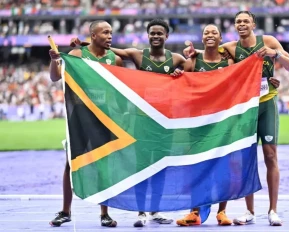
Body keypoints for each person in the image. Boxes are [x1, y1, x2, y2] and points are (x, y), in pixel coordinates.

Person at [184, 11, 289, 226]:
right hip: (245, 107)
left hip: (267, 104)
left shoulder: (269, 41)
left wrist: (275, 54)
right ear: (235, 26)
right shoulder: (230, 48)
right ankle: (249, 211)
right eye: (238, 22)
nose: (242, 24)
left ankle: (273, 210)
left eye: (246, 21)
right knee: (246, 158)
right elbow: (207, 49)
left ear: (253, 24)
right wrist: (190, 52)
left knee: (271, 156)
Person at [70, 18, 187, 228]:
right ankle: (141, 212)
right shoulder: (136, 55)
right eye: (152, 33)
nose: (156, 36)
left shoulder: (176, 59)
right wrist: (85, 45)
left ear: (167, 36)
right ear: (148, 35)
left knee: (161, 167)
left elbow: (196, 74)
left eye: (160, 33)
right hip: (141, 119)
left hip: (165, 121)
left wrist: (182, 72)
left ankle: (155, 210)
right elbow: (110, 49)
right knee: (142, 166)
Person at [48, 20, 123, 227]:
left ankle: (104, 214)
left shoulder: (115, 60)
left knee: (105, 166)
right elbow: (55, 77)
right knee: (71, 164)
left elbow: (120, 92)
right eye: (105, 32)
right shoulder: (77, 56)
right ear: (93, 35)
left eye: (111, 32)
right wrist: (54, 60)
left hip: (105, 119)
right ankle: (65, 211)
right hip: (80, 117)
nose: (109, 36)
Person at [175, 24, 234, 226]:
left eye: (214, 32)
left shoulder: (229, 62)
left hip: (221, 121)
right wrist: (177, 75)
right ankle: (194, 212)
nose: (210, 35)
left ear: (220, 38)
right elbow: (182, 85)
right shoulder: (193, 60)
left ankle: (222, 212)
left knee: (223, 166)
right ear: (202, 37)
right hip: (197, 121)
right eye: (206, 32)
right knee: (196, 166)